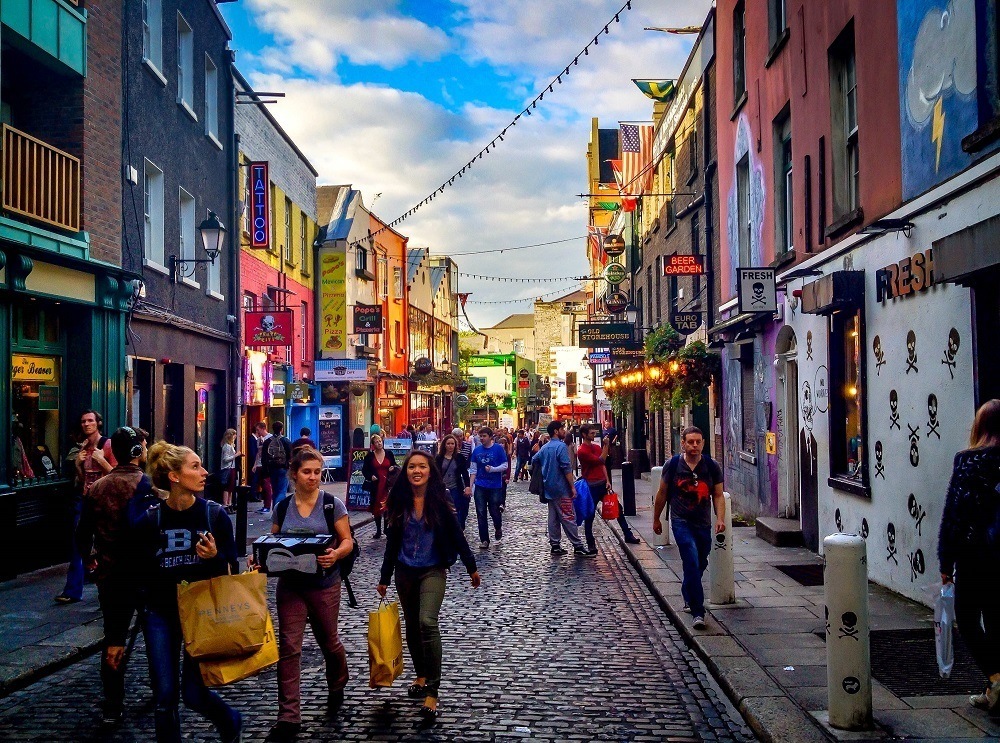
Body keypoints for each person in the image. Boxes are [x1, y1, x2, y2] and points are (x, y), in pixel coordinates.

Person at [137, 441, 242, 743]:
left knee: (194, 694)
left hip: (202, 613)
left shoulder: (214, 516)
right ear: (174, 476)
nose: (205, 472)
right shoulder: (151, 520)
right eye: (195, 466)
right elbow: (136, 573)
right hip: (161, 614)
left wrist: (215, 559)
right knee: (164, 697)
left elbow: (231, 572)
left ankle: (230, 719)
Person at [377, 450, 480, 730]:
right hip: (404, 570)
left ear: (430, 471)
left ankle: (432, 691)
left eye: (422, 466)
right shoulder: (399, 500)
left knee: (426, 622)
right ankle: (420, 675)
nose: (417, 471)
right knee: (412, 625)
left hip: (433, 569)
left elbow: (457, 534)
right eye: (412, 467)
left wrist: (471, 567)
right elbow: (392, 542)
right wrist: (384, 577)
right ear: (406, 471)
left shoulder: (440, 499)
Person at [265, 448, 353, 742]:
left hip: (324, 584)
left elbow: (347, 541)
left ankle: (338, 680)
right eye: (307, 472)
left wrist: (336, 555)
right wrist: (260, 560)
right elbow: (272, 541)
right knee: (289, 648)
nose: (313, 477)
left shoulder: (332, 505)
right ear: (294, 474)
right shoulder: (283, 506)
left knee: (329, 641)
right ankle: (288, 716)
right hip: (291, 585)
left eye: (317, 472)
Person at [76, 426, 150, 726]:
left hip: (112, 576)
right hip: (146, 576)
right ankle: (164, 690)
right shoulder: (149, 486)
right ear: (136, 451)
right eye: (143, 445)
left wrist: (91, 563)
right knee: (159, 634)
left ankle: (112, 703)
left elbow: (83, 535)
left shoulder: (98, 488)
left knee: (114, 639)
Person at [938, 399, 1000, 712]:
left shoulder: (968, 461)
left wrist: (945, 563)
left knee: (968, 619)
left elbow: (954, 516)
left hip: (975, 558)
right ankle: (994, 688)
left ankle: (996, 679)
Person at [652, 426, 725, 629]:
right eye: (690, 442)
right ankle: (698, 611)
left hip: (703, 523)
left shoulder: (711, 466)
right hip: (680, 520)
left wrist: (720, 518)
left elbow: (718, 495)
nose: (694, 446)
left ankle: (687, 591)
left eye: (698, 442)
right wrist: (656, 519)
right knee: (691, 559)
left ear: (703, 443)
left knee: (700, 561)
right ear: (682, 443)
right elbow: (662, 493)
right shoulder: (673, 465)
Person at [57, 410, 117, 604]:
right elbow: (83, 480)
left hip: (103, 501)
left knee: (104, 545)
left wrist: (101, 461)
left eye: (90, 420)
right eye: (83, 421)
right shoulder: (82, 447)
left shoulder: (106, 444)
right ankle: (73, 590)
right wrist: (77, 465)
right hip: (85, 500)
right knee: (79, 543)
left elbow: (118, 475)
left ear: (98, 423)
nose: (86, 424)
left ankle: (108, 589)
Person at [577, 424, 641, 552]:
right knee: (590, 515)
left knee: (618, 509)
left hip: (602, 484)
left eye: (594, 433)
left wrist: (607, 480)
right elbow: (600, 460)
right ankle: (591, 543)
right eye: (591, 433)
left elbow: (603, 465)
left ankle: (628, 535)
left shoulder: (596, 447)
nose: (593, 435)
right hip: (591, 486)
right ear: (584, 435)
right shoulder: (582, 450)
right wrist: (606, 445)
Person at [534, 420, 592, 558]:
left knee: (553, 517)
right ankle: (578, 546)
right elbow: (567, 468)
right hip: (561, 488)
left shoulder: (545, 447)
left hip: (549, 487)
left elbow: (534, 459)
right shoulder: (560, 447)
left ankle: (555, 545)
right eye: (562, 429)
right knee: (568, 516)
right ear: (556, 431)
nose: (564, 431)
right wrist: (572, 487)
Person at [468, 427, 508, 550]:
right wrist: (470, 486)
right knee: (480, 513)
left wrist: (493, 469)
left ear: (490, 437)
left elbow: (505, 465)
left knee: (494, 510)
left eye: (484, 436)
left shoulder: (498, 449)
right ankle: (484, 539)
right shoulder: (477, 451)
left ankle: (498, 526)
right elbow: (473, 469)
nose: (482, 438)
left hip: (495, 485)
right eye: (480, 436)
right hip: (480, 485)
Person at [362, 434, 398, 538]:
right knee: (377, 507)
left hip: (387, 484)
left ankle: (386, 528)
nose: (379, 443)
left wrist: (392, 468)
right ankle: (378, 530)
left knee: (387, 507)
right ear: (373, 445)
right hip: (376, 485)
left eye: (380, 441)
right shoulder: (369, 456)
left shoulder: (389, 454)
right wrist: (371, 476)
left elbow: (395, 465)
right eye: (377, 442)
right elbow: (365, 470)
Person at [435, 434, 471, 529]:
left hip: (455, 487)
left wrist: (468, 486)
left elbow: (464, 473)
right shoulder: (439, 458)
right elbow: (435, 473)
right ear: (444, 445)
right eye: (448, 444)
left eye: (452, 444)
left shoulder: (459, 457)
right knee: (442, 509)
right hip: (442, 488)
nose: (450, 446)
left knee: (457, 508)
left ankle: (457, 528)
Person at [263, 421, 293, 508]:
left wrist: (265, 471)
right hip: (283, 468)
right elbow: (290, 455)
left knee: (275, 490)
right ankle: (279, 510)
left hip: (271, 468)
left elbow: (264, 458)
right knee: (282, 490)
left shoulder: (267, 442)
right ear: (282, 430)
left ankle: (275, 510)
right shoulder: (286, 441)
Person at [249, 422, 274, 513]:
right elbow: (258, 453)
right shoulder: (259, 439)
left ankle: (267, 506)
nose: (257, 431)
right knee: (263, 485)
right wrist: (255, 464)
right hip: (259, 465)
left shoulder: (270, 438)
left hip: (266, 465)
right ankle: (265, 505)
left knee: (267, 485)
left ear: (263, 428)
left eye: (258, 429)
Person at [219, 429, 238, 514]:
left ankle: (229, 504)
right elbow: (225, 459)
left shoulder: (230, 445)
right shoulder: (227, 446)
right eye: (234, 435)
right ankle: (226, 504)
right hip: (227, 468)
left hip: (231, 468)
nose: (235, 436)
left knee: (230, 487)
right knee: (227, 487)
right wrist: (235, 455)